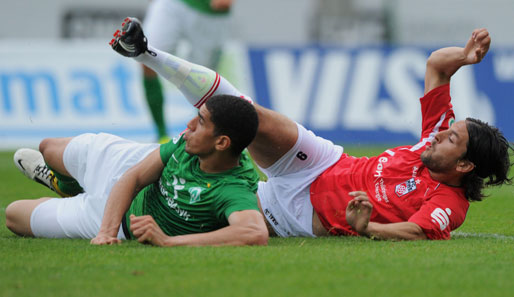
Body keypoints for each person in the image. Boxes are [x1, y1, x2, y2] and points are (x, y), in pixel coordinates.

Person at [110, 18, 513, 240]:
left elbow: (416, 230)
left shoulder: (450, 205)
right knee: (250, 116)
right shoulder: (435, 138)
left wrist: (367, 227)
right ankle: (146, 52)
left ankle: (80, 189)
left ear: (463, 166)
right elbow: (436, 66)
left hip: (300, 215)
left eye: (451, 139)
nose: (440, 134)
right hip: (321, 163)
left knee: (193, 215)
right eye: (447, 130)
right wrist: (464, 56)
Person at [5, 94, 269, 247]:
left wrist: (166, 241)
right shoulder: (190, 142)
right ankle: (65, 186)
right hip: (123, 165)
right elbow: (134, 177)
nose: (189, 125)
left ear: (222, 143)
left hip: (122, 224)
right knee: (48, 148)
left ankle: (77, 195)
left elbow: (254, 232)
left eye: (200, 122)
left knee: (13, 215)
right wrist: (104, 233)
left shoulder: (232, 188)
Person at [140, 0, 235, 143]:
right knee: (146, 55)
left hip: (208, 14)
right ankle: (161, 136)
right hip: (173, 4)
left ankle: (205, 138)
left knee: (204, 81)